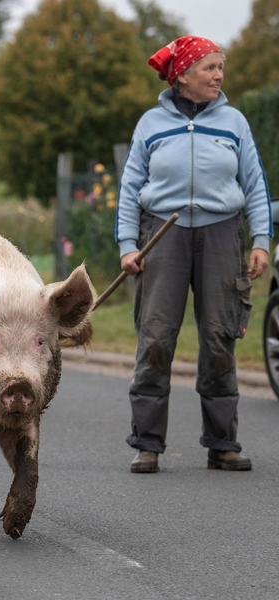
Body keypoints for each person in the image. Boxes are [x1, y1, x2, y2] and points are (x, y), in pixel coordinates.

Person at [115, 36, 271, 473]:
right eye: (209, 68)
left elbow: (255, 185)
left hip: (221, 234)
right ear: (182, 74)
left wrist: (261, 241)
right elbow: (129, 190)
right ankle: (147, 444)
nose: (219, 76)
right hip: (161, 235)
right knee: (156, 339)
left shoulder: (235, 122)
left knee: (220, 338)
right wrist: (128, 246)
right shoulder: (150, 123)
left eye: (221, 67)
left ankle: (223, 444)